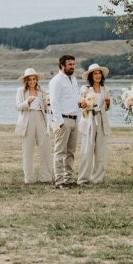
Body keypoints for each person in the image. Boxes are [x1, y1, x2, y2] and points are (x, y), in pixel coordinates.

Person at [14, 67, 53, 184]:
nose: (32, 81)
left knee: (45, 149)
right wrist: (27, 102)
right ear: (26, 80)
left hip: (41, 119)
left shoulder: (42, 92)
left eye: (34, 79)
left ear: (36, 79)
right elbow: (18, 106)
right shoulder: (20, 91)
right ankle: (29, 179)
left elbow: (47, 109)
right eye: (29, 79)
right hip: (27, 120)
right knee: (27, 150)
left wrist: (48, 103)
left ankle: (45, 177)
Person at [48, 54, 81, 188]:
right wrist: (59, 121)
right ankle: (59, 180)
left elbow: (75, 97)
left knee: (70, 152)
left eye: (73, 64)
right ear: (62, 65)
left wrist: (81, 103)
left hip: (74, 119)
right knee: (60, 152)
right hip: (62, 120)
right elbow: (54, 102)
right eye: (70, 65)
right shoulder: (56, 81)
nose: (72, 67)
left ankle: (69, 179)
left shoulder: (73, 79)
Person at [77, 63, 112, 185]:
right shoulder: (85, 89)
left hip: (101, 121)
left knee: (100, 151)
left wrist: (107, 104)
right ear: (91, 76)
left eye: (99, 73)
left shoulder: (105, 89)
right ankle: (83, 178)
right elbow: (80, 106)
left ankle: (97, 178)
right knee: (87, 151)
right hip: (89, 120)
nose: (98, 76)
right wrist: (83, 105)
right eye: (95, 74)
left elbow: (106, 108)